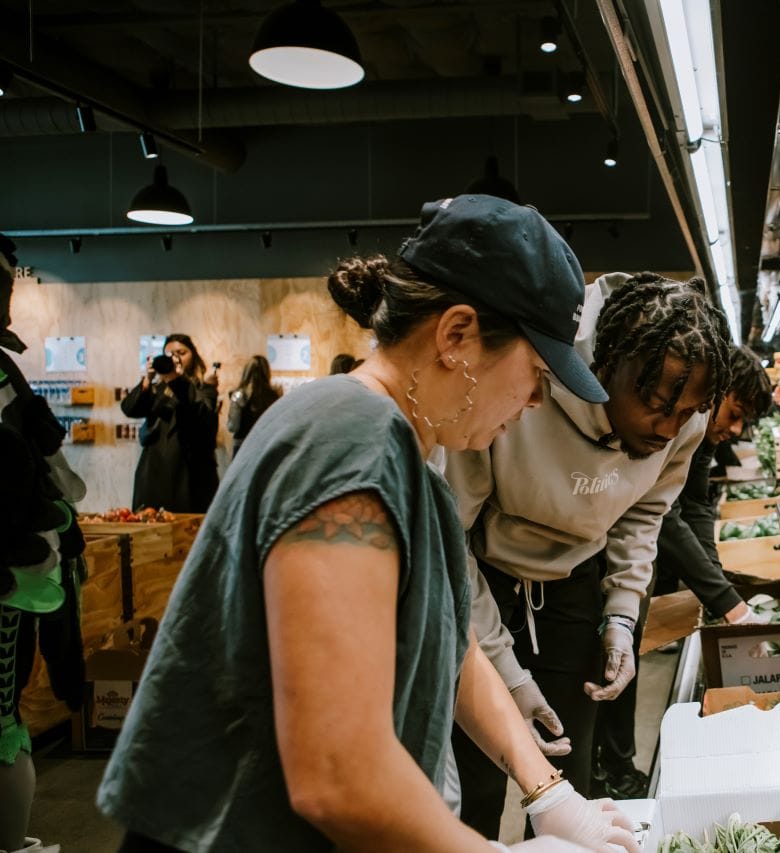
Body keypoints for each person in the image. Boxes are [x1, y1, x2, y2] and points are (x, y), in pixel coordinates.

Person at [96, 196, 638, 853]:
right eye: (536, 375)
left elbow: (447, 637)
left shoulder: (409, 455)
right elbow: (336, 775)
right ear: (455, 336)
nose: (532, 403)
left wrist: (545, 787)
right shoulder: (349, 441)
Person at [448, 272, 732, 838]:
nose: (670, 430)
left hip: (576, 582)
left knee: (568, 782)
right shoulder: (523, 385)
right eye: (656, 405)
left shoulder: (682, 421)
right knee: (476, 782)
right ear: (606, 367)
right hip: (480, 580)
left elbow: (644, 515)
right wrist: (508, 677)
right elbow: (449, 546)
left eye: (689, 414)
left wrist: (622, 617)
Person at [591, 345, 774, 798]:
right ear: (717, 389)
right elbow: (664, 517)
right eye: (735, 413)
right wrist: (728, 604)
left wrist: (723, 593)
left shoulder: (702, 439)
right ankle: (602, 776)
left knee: (624, 657)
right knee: (603, 665)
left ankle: (616, 768)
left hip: (634, 561)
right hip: (605, 558)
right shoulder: (680, 423)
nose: (734, 430)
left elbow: (693, 509)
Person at [1, 232, 85, 853]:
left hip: (13, 563)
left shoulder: (4, 368)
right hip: (11, 554)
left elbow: (42, 462)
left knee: (4, 718)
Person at [120, 334, 219, 513]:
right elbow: (129, 409)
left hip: (189, 474)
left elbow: (201, 412)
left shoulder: (203, 387)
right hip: (153, 472)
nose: (176, 358)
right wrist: (147, 380)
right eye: (170, 354)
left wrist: (176, 380)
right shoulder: (157, 389)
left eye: (182, 352)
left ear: (193, 356)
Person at [226, 355, 280, 456]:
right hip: (265, 445)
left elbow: (233, 426)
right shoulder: (274, 395)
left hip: (242, 446)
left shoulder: (239, 395)